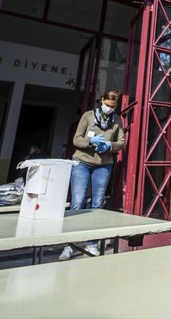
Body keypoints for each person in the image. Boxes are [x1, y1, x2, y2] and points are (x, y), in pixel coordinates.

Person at [59, 89, 125, 261]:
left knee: (97, 204)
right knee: (77, 202)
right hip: (82, 163)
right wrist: (90, 142)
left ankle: (91, 243)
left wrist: (109, 146)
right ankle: (69, 244)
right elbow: (76, 139)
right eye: (107, 105)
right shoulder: (88, 116)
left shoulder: (117, 120)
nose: (109, 108)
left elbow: (121, 141)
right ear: (101, 101)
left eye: (112, 106)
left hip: (103, 166)